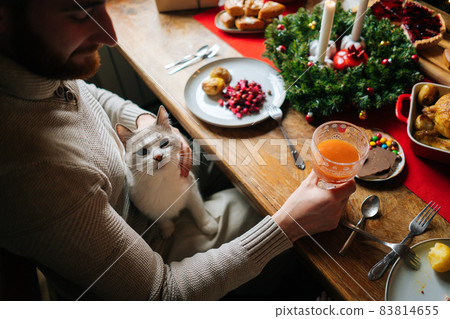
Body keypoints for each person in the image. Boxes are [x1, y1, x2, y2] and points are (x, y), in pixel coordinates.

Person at [0, 0, 356, 300]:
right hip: (155, 249)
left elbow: (90, 95)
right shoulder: (31, 172)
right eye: (79, 14)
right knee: (278, 204)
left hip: (142, 179)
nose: (109, 35)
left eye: (102, 6)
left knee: (248, 150)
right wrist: (288, 225)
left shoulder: (38, 68)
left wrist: (142, 124)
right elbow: (162, 293)